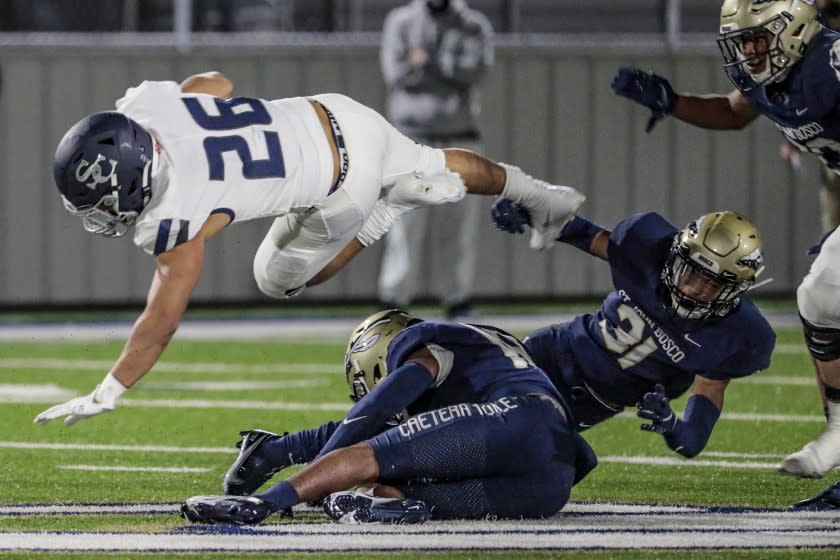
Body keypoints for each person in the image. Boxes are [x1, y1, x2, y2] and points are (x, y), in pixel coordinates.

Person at [33, 71, 585, 428]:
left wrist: (109, 390)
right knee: (436, 161)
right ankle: (545, 197)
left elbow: (162, 321)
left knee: (275, 278)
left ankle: (389, 211)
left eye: (100, 203)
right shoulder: (151, 106)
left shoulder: (173, 215)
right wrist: (191, 115)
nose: (101, 215)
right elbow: (217, 84)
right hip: (335, 112)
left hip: (343, 184)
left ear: (130, 180)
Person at [610, 0, 840, 478]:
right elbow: (735, 112)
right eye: (743, 41)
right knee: (819, 298)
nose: (750, 52)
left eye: (758, 39)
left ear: (792, 30)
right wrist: (673, 102)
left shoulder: (831, 65)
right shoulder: (772, 74)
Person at [180, 309, 597, 524]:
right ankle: (371, 502)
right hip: (551, 480)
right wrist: (279, 452)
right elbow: (584, 458)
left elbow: (371, 416)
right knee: (391, 494)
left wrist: (311, 479)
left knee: (366, 456)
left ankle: (259, 506)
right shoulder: (486, 358)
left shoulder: (425, 349)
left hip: (510, 423)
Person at [492, 201, 775, 458]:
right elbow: (584, 234)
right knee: (469, 391)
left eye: (711, 285)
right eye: (690, 272)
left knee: (519, 454)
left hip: (587, 405)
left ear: (734, 292)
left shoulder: (734, 339)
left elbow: (691, 440)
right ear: (676, 255)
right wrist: (529, 211)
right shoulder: (648, 252)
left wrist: (671, 425)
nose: (693, 289)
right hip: (551, 352)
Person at [377, 0, 494, 319]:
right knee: (403, 225)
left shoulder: (474, 24)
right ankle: (393, 300)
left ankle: (457, 299)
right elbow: (397, 73)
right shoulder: (401, 21)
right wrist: (448, 66)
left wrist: (427, 61)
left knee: (458, 228)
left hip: (460, 139)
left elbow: (476, 71)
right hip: (412, 140)